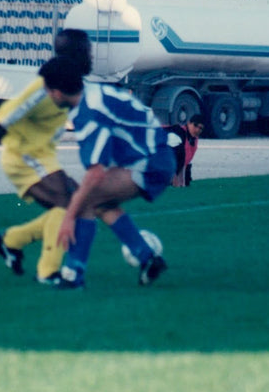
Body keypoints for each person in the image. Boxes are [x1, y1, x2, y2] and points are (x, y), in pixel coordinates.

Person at [0, 30, 92, 285]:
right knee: (66, 204)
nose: (91, 56)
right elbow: (1, 121)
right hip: (23, 156)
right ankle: (47, 272)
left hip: (44, 157)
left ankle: (11, 241)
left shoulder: (73, 85)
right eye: (87, 51)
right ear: (75, 55)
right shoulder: (42, 89)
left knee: (79, 204)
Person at [49, 61, 176, 289]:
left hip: (150, 161)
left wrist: (69, 217)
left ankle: (73, 275)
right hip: (154, 156)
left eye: (47, 90)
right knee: (100, 203)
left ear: (57, 92)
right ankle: (148, 258)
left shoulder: (89, 113)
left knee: (84, 198)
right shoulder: (93, 92)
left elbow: (96, 173)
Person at [165, 114, 204, 187]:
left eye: (200, 128)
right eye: (195, 125)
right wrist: (175, 179)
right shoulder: (177, 132)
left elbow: (185, 161)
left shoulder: (193, 139)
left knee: (187, 179)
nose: (197, 130)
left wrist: (182, 183)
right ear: (189, 123)